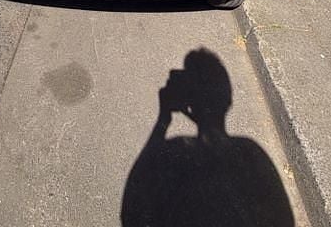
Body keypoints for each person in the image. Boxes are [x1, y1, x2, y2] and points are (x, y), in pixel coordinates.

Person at [121, 49, 295, 227]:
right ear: (227, 101)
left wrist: (163, 119)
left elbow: (132, 208)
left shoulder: (176, 153)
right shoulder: (251, 152)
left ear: (187, 99)